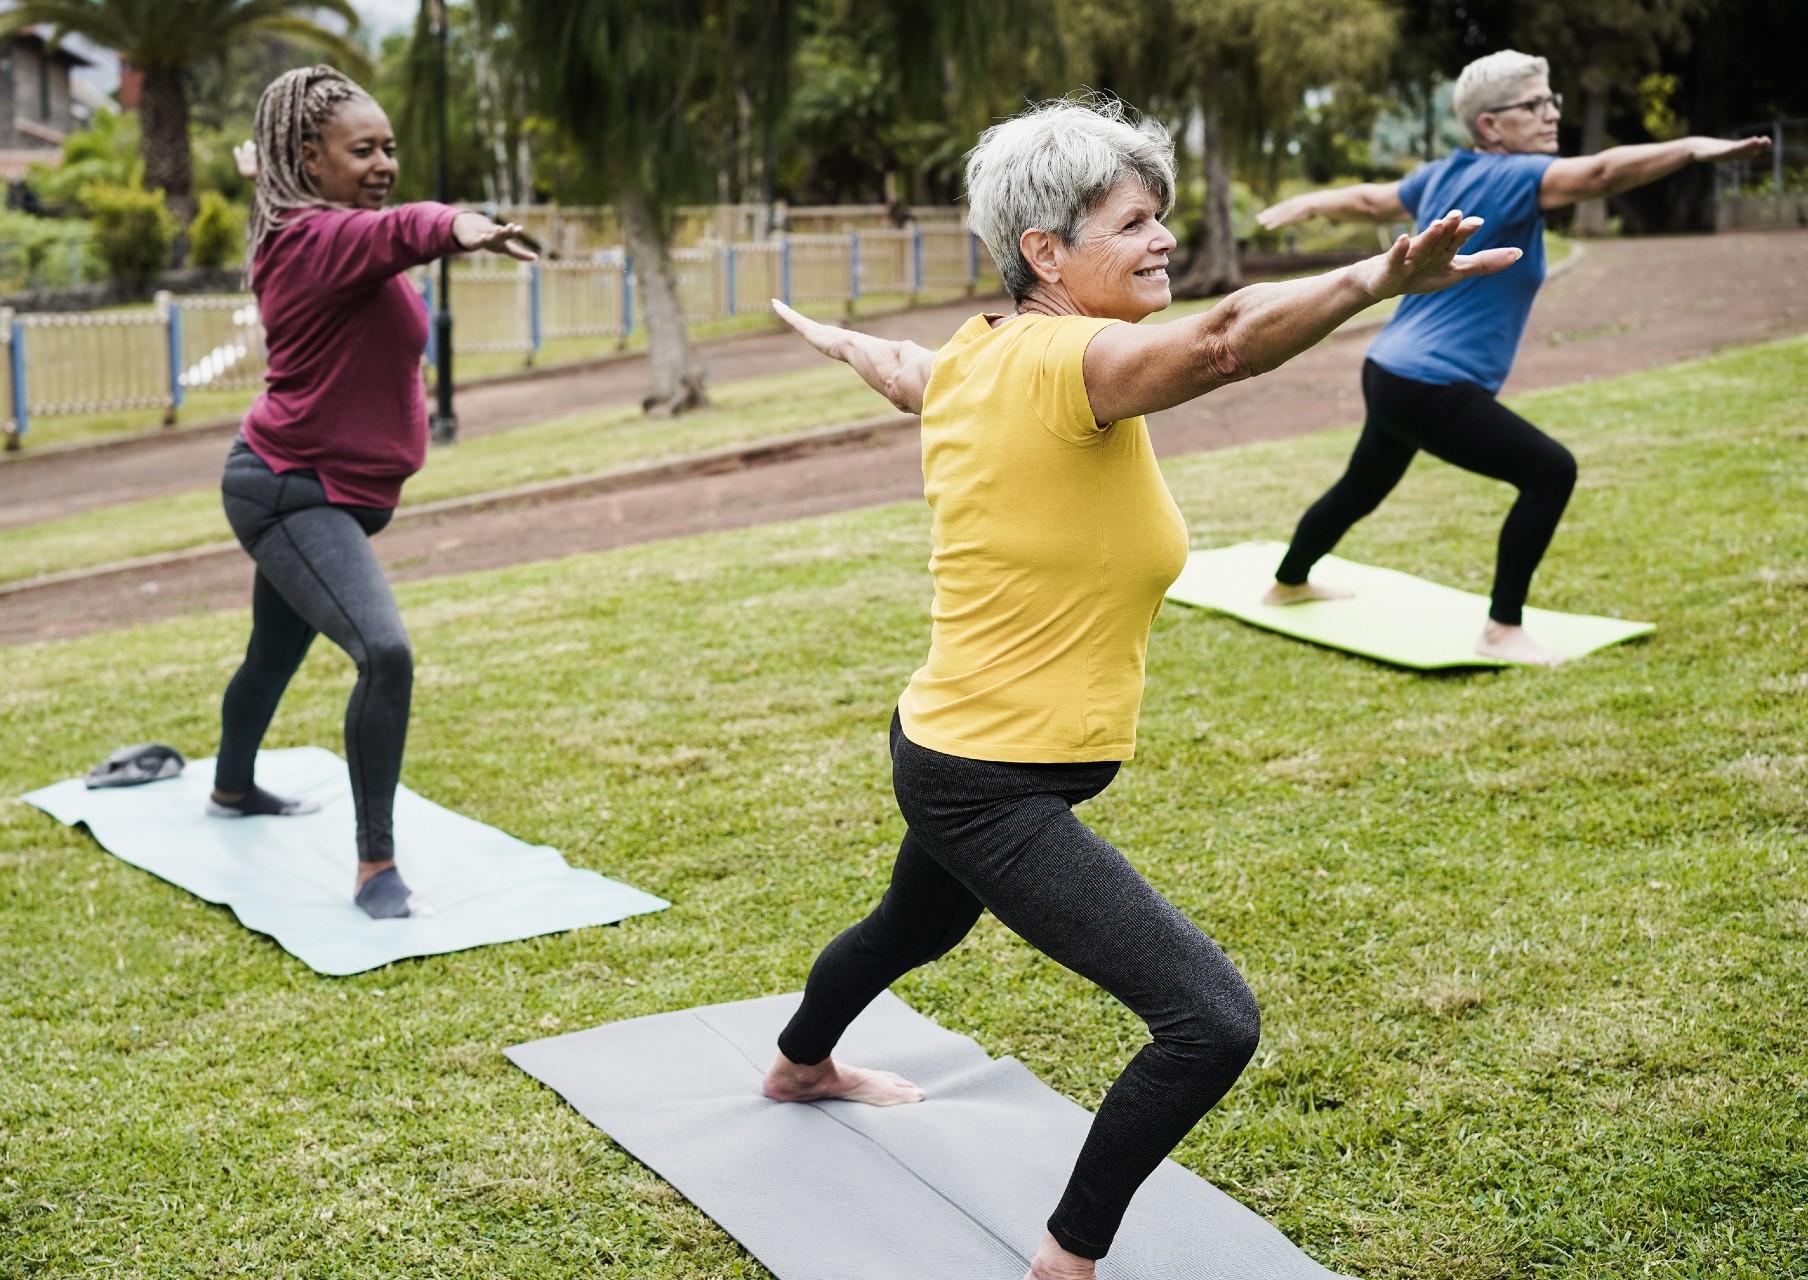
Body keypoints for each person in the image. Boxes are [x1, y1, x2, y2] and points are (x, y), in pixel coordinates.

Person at [759, 96, 1519, 1280]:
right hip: (986, 780)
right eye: (1132, 222)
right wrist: (1374, 278)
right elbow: (1223, 343)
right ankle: (1067, 1259)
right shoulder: (1074, 359)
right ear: (1045, 253)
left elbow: (902, 367)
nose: (1162, 238)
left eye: (1161, 215)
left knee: (914, 923)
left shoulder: (976, 355)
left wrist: (837, 339)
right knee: (1210, 1019)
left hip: (946, 736)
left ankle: (801, 1060)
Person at [1254, 49, 1771, 666]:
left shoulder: (1442, 173)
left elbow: (1371, 201)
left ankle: (1289, 583)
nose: (1551, 114)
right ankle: (1502, 628)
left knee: (1363, 486)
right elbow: (1603, 175)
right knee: (1550, 471)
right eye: (1534, 105)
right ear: (1490, 126)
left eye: (1551, 100)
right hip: (1430, 383)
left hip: (1390, 370)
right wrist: (1689, 147)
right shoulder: (1519, 177)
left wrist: (1311, 204)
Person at [209, 66, 535, 919]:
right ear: (310, 157)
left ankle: (232, 789)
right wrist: (467, 227)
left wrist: (265, 169)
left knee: (271, 656)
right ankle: (375, 870)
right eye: (364, 149)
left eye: (390, 147)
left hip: (314, 486)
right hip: (290, 491)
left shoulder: (304, 223)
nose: (385, 161)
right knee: (383, 653)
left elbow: (366, 223)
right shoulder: (320, 241)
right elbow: (409, 230)